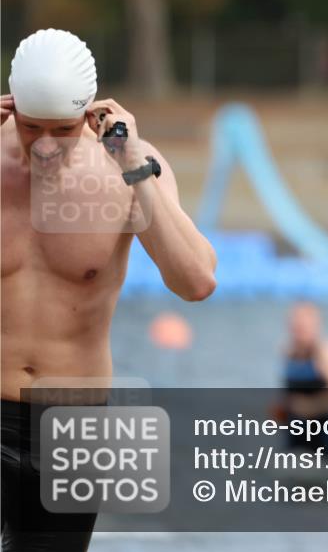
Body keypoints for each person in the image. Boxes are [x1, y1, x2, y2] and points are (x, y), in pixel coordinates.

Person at [1, 29, 217, 551]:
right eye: (32, 128)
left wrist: (132, 166)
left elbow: (196, 281)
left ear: (90, 116)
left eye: (63, 129)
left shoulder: (129, 166)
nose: (46, 144)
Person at [280, 302, 328, 452]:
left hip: (324, 438)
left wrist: (311, 407)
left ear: (315, 325)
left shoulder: (326, 352)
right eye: (295, 325)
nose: (298, 330)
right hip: (295, 436)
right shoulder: (289, 351)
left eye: (303, 326)